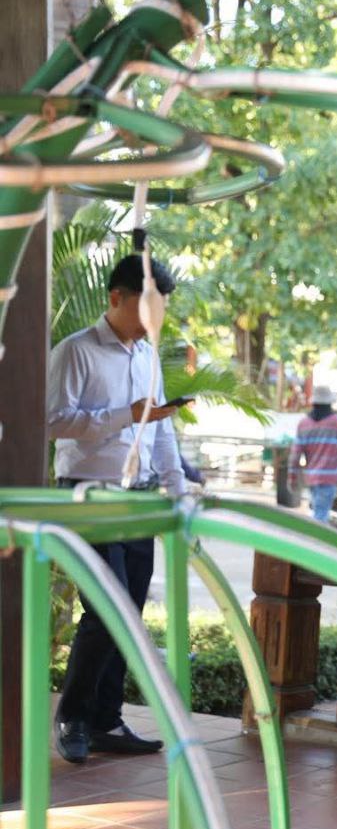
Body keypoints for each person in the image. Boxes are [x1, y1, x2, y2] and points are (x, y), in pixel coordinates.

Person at [47, 253, 186, 764]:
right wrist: (123, 415)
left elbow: (161, 428)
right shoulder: (76, 351)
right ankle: (72, 717)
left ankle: (105, 720)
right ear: (116, 298)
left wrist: (176, 486)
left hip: (138, 497)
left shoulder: (148, 356)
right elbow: (51, 420)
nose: (154, 320)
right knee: (108, 609)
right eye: (147, 308)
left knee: (128, 611)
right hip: (88, 494)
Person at [288, 385, 337, 523]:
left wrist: (292, 476)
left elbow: (295, 454)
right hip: (329, 477)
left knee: (318, 510)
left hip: (311, 477)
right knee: (321, 515)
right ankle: (314, 537)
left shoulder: (304, 424)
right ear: (329, 403)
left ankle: (313, 534)